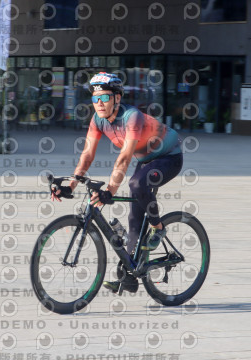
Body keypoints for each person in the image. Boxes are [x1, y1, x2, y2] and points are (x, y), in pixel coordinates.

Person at [52, 72, 183, 294]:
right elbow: (87, 155)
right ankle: (130, 276)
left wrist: (110, 190)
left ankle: (158, 228)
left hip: (169, 156)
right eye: (95, 98)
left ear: (117, 98)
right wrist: (71, 185)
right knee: (134, 220)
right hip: (146, 160)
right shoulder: (98, 120)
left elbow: (124, 157)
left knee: (136, 184)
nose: (99, 103)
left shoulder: (132, 117)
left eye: (104, 97)